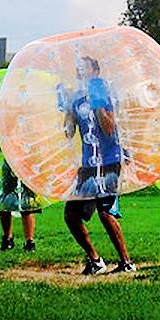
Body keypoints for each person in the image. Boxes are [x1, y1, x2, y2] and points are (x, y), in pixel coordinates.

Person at [62, 54, 136, 275]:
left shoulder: (107, 93)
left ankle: (126, 263)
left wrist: (98, 105)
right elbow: (69, 133)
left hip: (110, 161)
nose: (80, 72)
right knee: (71, 215)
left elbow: (109, 129)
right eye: (78, 69)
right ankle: (95, 260)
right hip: (88, 165)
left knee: (106, 213)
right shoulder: (75, 99)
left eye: (84, 68)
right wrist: (66, 112)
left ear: (95, 71)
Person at [0, 159, 41, 251]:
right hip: (9, 166)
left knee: (27, 205)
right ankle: (7, 239)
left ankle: (29, 241)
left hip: (27, 166)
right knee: (5, 204)